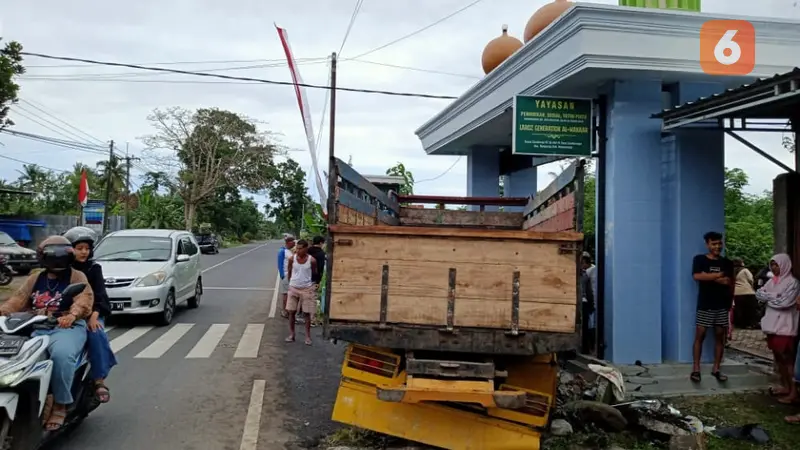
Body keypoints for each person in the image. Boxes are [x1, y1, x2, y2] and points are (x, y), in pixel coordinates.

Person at [0, 235, 94, 431]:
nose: (58, 259)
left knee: (61, 355)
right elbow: (17, 300)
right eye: (54, 255)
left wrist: (72, 315)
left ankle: (61, 404)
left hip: (66, 327)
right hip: (35, 325)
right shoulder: (35, 278)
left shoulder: (76, 276)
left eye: (62, 255)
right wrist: (3, 312)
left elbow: (83, 299)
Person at [63, 226, 117, 404]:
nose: (84, 252)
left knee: (96, 333)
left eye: (87, 248)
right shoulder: (61, 268)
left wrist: (94, 315)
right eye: (79, 248)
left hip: (90, 313)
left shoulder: (94, 268)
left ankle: (99, 380)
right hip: (63, 314)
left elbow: (100, 295)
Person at [755, 254, 800, 404]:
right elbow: (759, 294)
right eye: (772, 265)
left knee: (788, 360)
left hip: (785, 327)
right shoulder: (773, 281)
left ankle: (794, 392)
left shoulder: (793, 283)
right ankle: (785, 386)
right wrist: (774, 295)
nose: (774, 268)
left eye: (777, 265)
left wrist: (769, 297)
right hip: (772, 326)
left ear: (785, 265)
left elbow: (784, 303)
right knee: (778, 358)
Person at [690, 231, 734, 383]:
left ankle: (716, 369)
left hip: (721, 304)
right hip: (705, 304)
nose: (717, 246)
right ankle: (696, 369)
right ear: (707, 244)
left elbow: (727, 281)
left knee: (720, 336)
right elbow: (697, 276)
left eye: (719, 243)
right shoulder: (699, 259)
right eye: (714, 243)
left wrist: (708, 276)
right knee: (700, 335)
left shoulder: (727, 262)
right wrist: (717, 276)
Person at [285, 239, 317, 346]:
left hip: (306, 288)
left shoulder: (312, 260)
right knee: (291, 312)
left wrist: (312, 285)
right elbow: (289, 271)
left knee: (306, 313)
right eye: (297, 248)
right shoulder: (292, 259)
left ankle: (308, 337)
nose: (298, 250)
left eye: (300, 248)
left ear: (306, 248)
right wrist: (290, 284)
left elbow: (314, 273)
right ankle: (292, 334)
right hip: (293, 287)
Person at [732, 258, 758, 329]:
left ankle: (741, 324)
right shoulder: (745, 270)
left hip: (736, 293)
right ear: (741, 263)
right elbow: (751, 279)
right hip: (748, 292)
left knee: (739, 310)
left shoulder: (731, 271)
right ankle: (752, 324)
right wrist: (752, 286)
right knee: (751, 309)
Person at [307, 236, 327, 324]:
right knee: (312, 299)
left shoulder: (307, 250)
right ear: (321, 243)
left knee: (302, 298)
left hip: (303, 277)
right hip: (313, 278)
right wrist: (318, 281)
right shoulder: (321, 254)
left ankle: (300, 316)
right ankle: (312, 319)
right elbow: (320, 268)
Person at [580, 253, 596, 353]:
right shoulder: (586, 273)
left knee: (586, 326)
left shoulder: (586, 274)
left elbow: (589, 290)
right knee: (587, 325)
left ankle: (586, 348)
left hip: (586, 302)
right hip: (587, 302)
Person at [277, 234, 296, 319]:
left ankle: (289, 309)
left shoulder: (290, 251)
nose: (294, 244)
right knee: (285, 294)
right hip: (285, 274)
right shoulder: (282, 251)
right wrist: (282, 275)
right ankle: (284, 310)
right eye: (293, 242)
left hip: (291, 275)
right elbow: (280, 263)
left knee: (290, 294)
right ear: (288, 242)